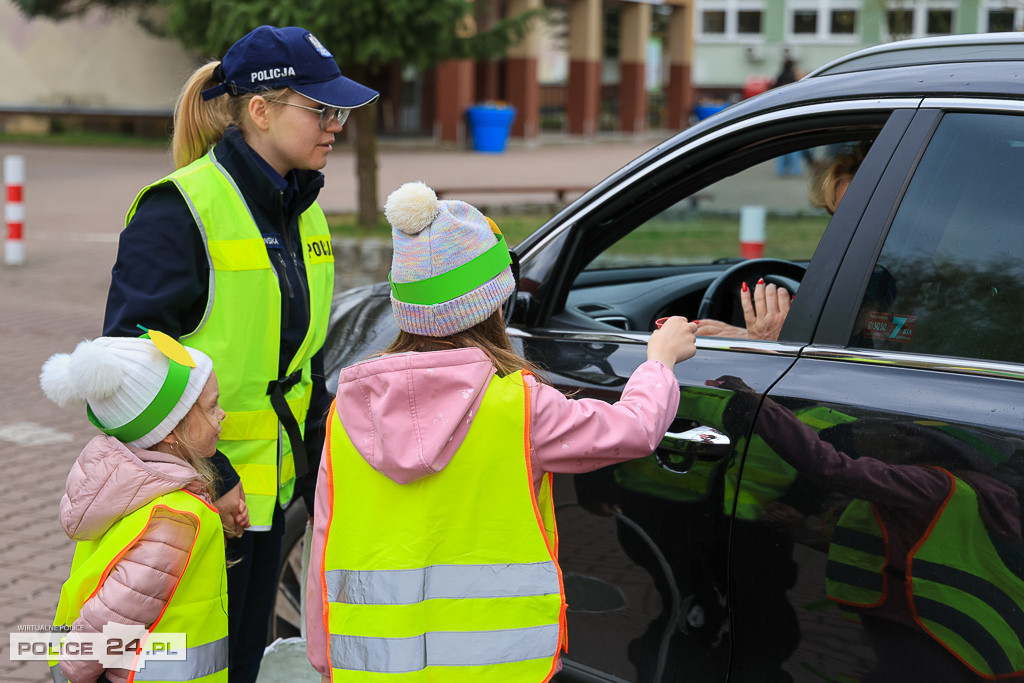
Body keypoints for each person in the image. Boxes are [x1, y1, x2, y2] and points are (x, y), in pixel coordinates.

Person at [304, 182, 698, 681]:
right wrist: (660, 361)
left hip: (377, 664)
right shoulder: (521, 404)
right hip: (498, 663)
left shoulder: (348, 410)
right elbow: (635, 429)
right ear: (492, 305)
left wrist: (322, 652)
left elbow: (325, 534)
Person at [101, 24, 379, 682]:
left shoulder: (303, 211)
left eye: (338, 111)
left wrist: (315, 477)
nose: (336, 124)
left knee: (240, 670)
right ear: (260, 110)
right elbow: (125, 370)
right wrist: (216, 477)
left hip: (264, 505)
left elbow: (303, 363)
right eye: (321, 109)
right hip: (197, 508)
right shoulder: (180, 211)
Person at [713, 375, 1024, 682]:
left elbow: (833, 468)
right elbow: (896, 545)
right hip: (942, 629)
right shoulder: (962, 494)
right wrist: (802, 531)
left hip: (922, 630)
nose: (897, 438)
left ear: (946, 449)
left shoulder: (930, 484)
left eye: (913, 436)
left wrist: (763, 407)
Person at [41, 333, 234, 683]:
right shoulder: (175, 519)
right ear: (171, 430)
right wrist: (76, 670)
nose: (223, 414)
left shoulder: (130, 491)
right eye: (210, 406)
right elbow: (111, 619)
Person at [697, 141, 870, 341]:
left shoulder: (883, 288)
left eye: (859, 218)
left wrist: (777, 341)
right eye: (836, 219)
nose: (844, 233)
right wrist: (747, 337)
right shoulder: (858, 273)